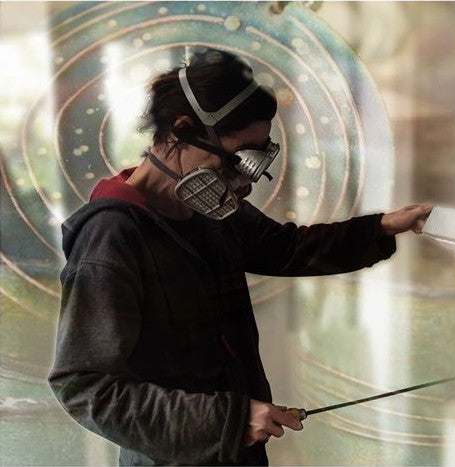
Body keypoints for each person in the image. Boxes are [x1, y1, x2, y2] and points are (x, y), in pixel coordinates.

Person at [47, 49, 431, 466]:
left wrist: (382, 227)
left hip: (234, 450)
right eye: (236, 157)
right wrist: (227, 420)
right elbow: (85, 386)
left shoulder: (208, 212)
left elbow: (287, 249)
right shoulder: (113, 235)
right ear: (181, 131)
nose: (241, 177)